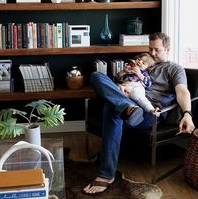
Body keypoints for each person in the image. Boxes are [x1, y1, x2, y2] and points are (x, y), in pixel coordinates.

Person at [83, 32, 195, 195]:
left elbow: (183, 91)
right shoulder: (143, 63)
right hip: (128, 101)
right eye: (150, 49)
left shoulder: (174, 68)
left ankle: (106, 175)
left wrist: (187, 113)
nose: (152, 53)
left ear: (167, 49)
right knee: (96, 75)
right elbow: (123, 79)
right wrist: (119, 86)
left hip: (149, 112)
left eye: (157, 50)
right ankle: (125, 106)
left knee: (111, 108)